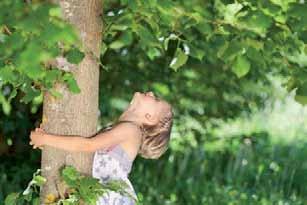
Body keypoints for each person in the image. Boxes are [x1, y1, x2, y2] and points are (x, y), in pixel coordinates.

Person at [29, 91, 174, 205]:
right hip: (96, 191)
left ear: (149, 117)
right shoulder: (123, 129)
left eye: (155, 99)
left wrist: (47, 139)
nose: (151, 93)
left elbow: (87, 145)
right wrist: (49, 142)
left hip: (107, 196)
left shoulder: (132, 130)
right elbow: (87, 152)